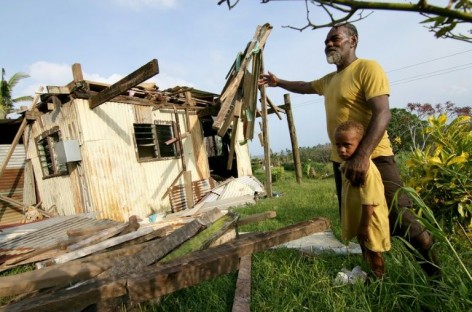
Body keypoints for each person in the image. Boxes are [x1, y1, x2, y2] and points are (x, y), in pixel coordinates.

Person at [258, 22, 440, 278]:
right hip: (342, 162)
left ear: (352, 40)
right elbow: (305, 85)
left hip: (375, 158)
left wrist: (363, 156)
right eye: (326, 42)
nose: (329, 44)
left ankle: (436, 278)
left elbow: (383, 113)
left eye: (335, 39)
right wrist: (278, 82)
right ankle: (373, 276)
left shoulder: (368, 68)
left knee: (402, 218)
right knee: (357, 221)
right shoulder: (330, 80)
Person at [335, 120, 390, 278]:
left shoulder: (367, 169)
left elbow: (369, 202)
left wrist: (364, 226)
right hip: (362, 218)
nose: (341, 150)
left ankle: (379, 278)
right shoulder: (348, 165)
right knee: (364, 246)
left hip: (370, 219)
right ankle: (368, 272)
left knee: (374, 251)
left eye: (346, 145)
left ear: (361, 145)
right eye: (338, 145)